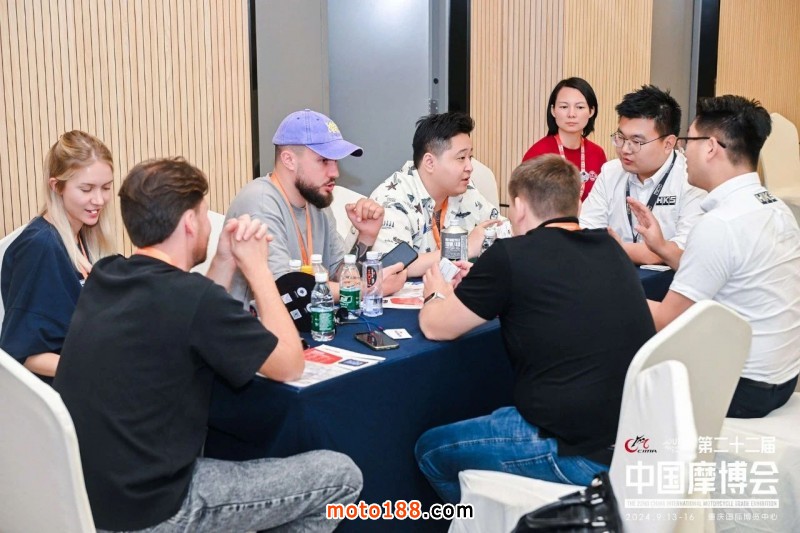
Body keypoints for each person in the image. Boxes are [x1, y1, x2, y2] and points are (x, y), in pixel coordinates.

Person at [53, 158, 362, 531]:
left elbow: (194, 313)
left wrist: (224, 260)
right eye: (203, 215)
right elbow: (289, 365)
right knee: (341, 476)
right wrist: (259, 271)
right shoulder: (192, 298)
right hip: (155, 509)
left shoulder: (108, 273)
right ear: (189, 222)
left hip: (90, 498)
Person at [415, 155, 656, 503]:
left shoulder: (511, 255)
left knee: (430, 451)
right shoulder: (610, 248)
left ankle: (482, 523)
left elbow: (436, 326)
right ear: (577, 203)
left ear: (519, 207)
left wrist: (436, 292)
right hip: (632, 440)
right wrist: (483, 286)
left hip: (574, 450)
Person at [632, 96, 800, 419]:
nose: (683, 152)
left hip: (741, 388)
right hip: (782, 378)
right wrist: (662, 247)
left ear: (710, 147)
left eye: (688, 140)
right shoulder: (774, 207)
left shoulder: (720, 224)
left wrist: (603, 290)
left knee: (626, 359)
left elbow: (666, 320)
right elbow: (729, 271)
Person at [226, 108, 406, 304]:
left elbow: (339, 274)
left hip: (311, 316)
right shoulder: (260, 202)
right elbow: (286, 291)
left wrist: (366, 236)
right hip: (259, 321)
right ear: (289, 160)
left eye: (335, 161)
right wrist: (368, 288)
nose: (335, 172)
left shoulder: (316, 200)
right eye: (324, 160)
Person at [0, 130, 115, 381]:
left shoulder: (81, 236)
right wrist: (102, 366)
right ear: (56, 186)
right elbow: (22, 354)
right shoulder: (40, 247)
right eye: (86, 189)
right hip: (64, 389)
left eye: (106, 188)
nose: (99, 200)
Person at [370, 112, 509, 277]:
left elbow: (504, 229)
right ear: (430, 162)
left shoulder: (465, 190)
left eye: (470, 157)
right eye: (461, 157)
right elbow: (393, 265)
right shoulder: (392, 198)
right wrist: (465, 248)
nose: (470, 167)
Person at [580, 85, 706, 265]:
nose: (625, 149)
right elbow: (587, 232)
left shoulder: (692, 179)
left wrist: (616, 248)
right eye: (621, 137)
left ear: (668, 144)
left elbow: (684, 252)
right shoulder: (610, 172)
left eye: (636, 141)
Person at [521, 77, 607, 200]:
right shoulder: (538, 154)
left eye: (580, 107)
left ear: (591, 111)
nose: (571, 114)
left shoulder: (597, 154)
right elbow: (524, 200)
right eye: (564, 107)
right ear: (553, 110)